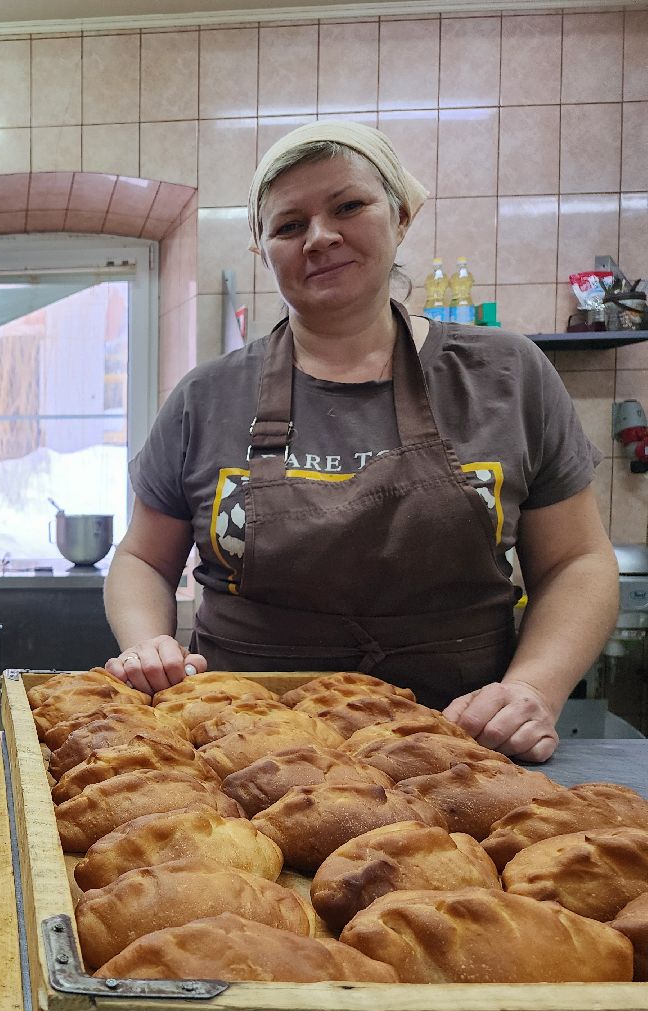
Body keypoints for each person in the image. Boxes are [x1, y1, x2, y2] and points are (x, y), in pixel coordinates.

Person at [103, 121, 617, 763]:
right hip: (239, 749)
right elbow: (143, 560)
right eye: (289, 225)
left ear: (401, 215)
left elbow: (577, 562)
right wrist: (149, 644)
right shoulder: (205, 397)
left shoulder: (507, 377)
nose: (320, 237)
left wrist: (532, 689)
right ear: (263, 247)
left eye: (348, 206)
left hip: (461, 748)